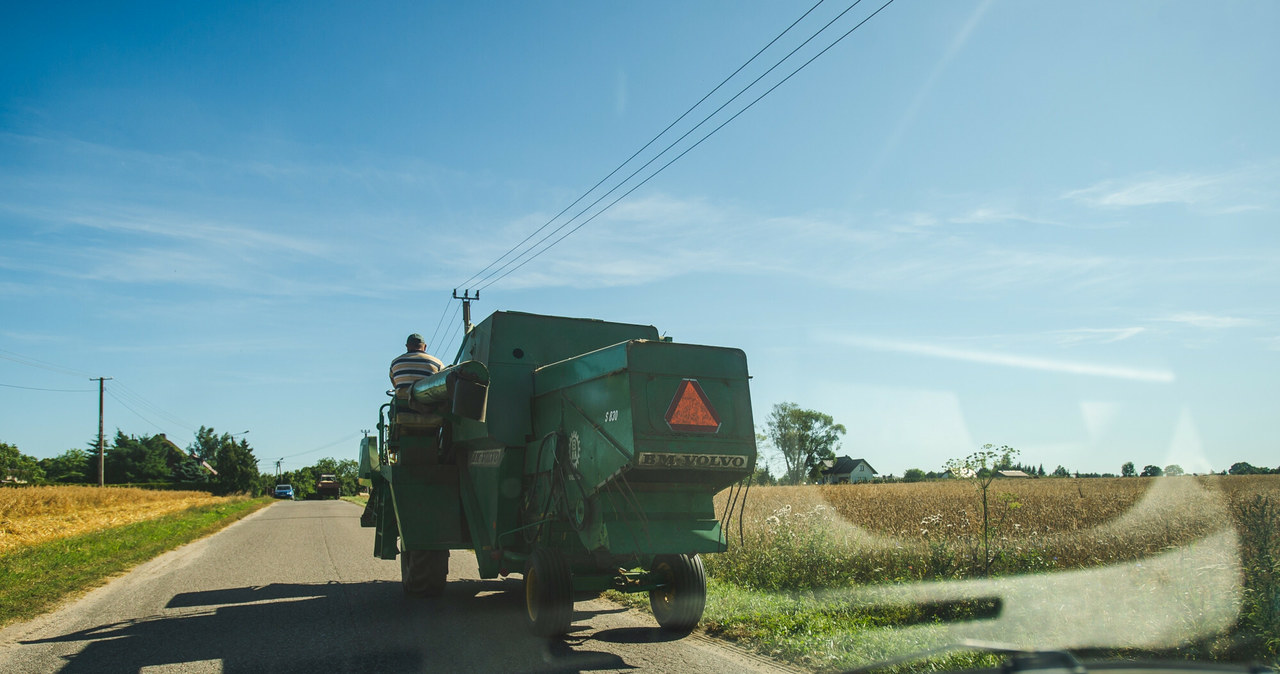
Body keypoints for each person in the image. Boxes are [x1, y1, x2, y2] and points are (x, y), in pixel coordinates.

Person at [390, 333, 444, 399]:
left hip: (402, 404)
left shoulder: (396, 362)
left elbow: (394, 383)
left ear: (407, 346)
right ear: (425, 346)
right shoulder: (437, 363)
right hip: (428, 404)